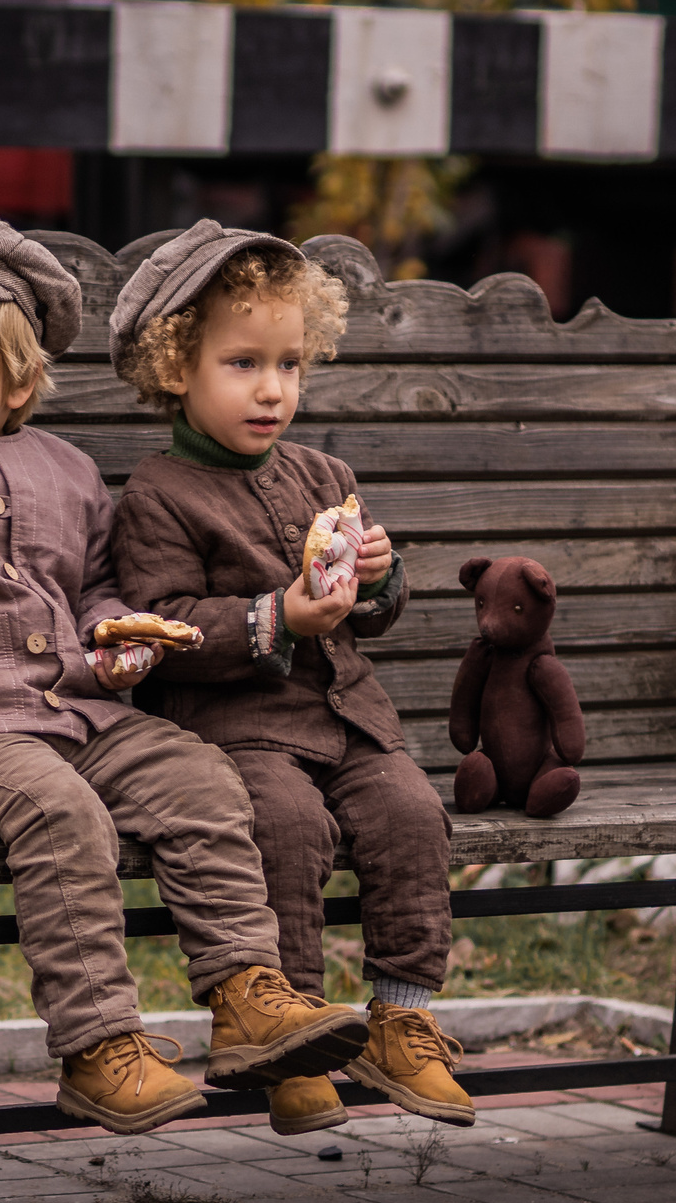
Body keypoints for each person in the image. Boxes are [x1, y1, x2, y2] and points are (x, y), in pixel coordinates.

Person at [0, 217, 369, 1135]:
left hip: (74, 714)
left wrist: (115, 635)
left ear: (19, 381)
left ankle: (246, 996)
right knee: (60, 811)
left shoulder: (64, 470)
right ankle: (100, 1045)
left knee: (199, 776)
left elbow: (94, 586)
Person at [107, 221, 473, 1136]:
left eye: (289, 365)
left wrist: (378, 578)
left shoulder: (324, 473)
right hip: (237, 728)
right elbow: (165, 623)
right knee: (286, 825)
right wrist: (277, 617)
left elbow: (371, 610)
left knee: (411, 814)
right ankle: (290, 1032)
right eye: (242, 364)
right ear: (175, 367)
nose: (272, 389)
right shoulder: (157, 494)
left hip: (347, 718)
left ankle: (400, 1018)